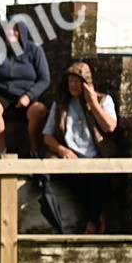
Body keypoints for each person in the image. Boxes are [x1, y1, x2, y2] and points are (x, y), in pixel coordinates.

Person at [41, 61, 118, 234]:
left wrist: (94, 104)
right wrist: (63, 150)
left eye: (77, 81)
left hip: (97, 159)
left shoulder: (104, 100)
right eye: (70, 82)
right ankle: (98, 217)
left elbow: (110, 127)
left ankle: (91, 224)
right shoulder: (61, 104)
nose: (73, 85)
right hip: (71, 160)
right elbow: (47, 136)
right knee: (71, 179)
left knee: (100, 179)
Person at [0, 20, 51, 157]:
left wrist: (29, 96)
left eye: (15, 30)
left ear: (22, 32)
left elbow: (44, 78)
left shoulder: (34, 50)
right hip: (0, 95)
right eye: (8, 30)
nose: (11, 34)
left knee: (40, 110)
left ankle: (34, 151)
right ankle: (1, 153)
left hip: (26, 97)